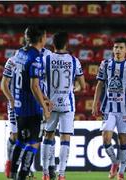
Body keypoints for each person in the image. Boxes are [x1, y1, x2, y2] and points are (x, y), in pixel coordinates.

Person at [92, 37, 126, 180]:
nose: (117, 50)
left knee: (123, 140)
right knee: (106, 138)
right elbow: (100, 84)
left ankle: (121, 173)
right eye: (115, 47)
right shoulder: (105, 64)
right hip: (108, 108)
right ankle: (115, 163)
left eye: (120, 47)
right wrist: (95, 103)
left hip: (124, 109)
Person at [41, 31, 86, 180]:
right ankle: (61, 175)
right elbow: (82, 86)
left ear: (53, 44)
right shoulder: (74, 61)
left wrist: (44, 97)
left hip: (50, 104)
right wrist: (74, 88)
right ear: (67, 44)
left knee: (48, 136)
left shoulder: (46, 59)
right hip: (67, 104)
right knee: (65, 138)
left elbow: (37, 82)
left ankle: (46, 173)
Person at [9, 26, 51, 180]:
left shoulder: (19, 53)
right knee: (33, 143)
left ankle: (13, 173)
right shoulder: (36, 57)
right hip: (32, 108)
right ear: (41, 38)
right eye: (45, 36)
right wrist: (44, 108)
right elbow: (34, 86)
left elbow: (27, 82)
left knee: (21, 140)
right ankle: (23, 175)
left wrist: (44, 97)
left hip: (19, 105)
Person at [0, 56, 17, 178]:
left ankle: (20, 168)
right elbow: (3, 84)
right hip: (15, 104)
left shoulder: (35, 59)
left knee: (28, 136)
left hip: (29, 104)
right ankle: (9, 163)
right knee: (14, 135)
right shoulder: (12, 61)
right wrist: (11, 99)